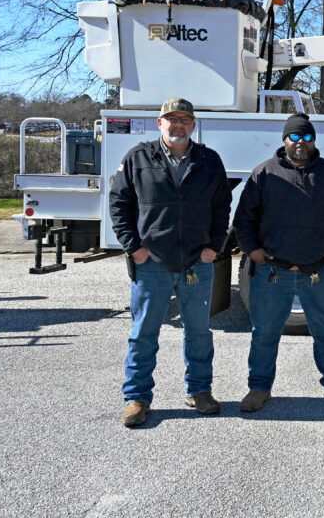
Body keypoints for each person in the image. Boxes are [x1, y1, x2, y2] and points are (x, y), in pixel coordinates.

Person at [110, 97, 232, 427]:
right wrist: (134, 247)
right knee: (144, 333)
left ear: (193, 125)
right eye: (171, 119)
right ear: (159, 123)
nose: (178, 125)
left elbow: (223, 206)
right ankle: (137, 398)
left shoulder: (209, 160)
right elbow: (119, 204)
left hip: (197, 262)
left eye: (185, 120)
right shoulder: (138, 158)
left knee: (199, 332)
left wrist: (214, 247)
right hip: (152, 262)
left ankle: (199, 390)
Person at [232, 113, 324, 413]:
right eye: (295, 137)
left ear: (314, 141)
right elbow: (243, 221)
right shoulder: (263, 174)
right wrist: (255, 252)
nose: (300, 143)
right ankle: (259, 387)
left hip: (319, 272)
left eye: (306, 137)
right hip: (273, 272)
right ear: (284, 140)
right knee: (264, 333)